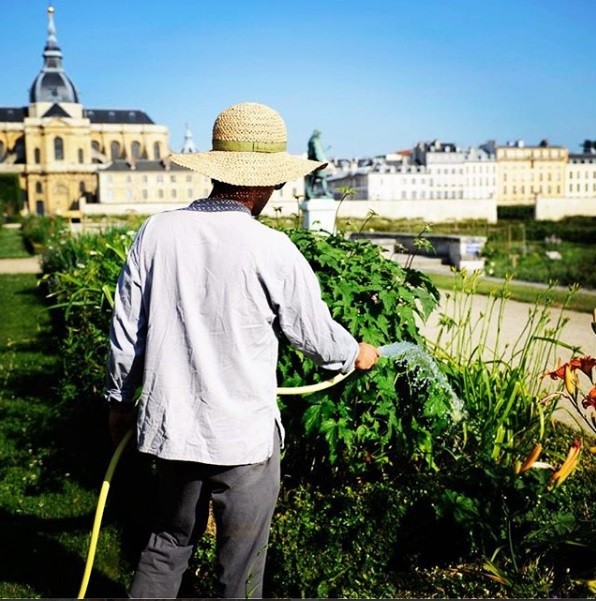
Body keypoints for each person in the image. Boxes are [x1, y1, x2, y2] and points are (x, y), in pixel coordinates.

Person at [105, 102, 380, 599]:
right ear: (267, 184)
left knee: (166, 545)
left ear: (216, 170)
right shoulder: (272, 249)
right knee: (242, 568)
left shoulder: (156, 233)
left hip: (175, 431)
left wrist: (120, 403)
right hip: (244, 441)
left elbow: (127, 334)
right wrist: (354, 353)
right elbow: (316, 338)